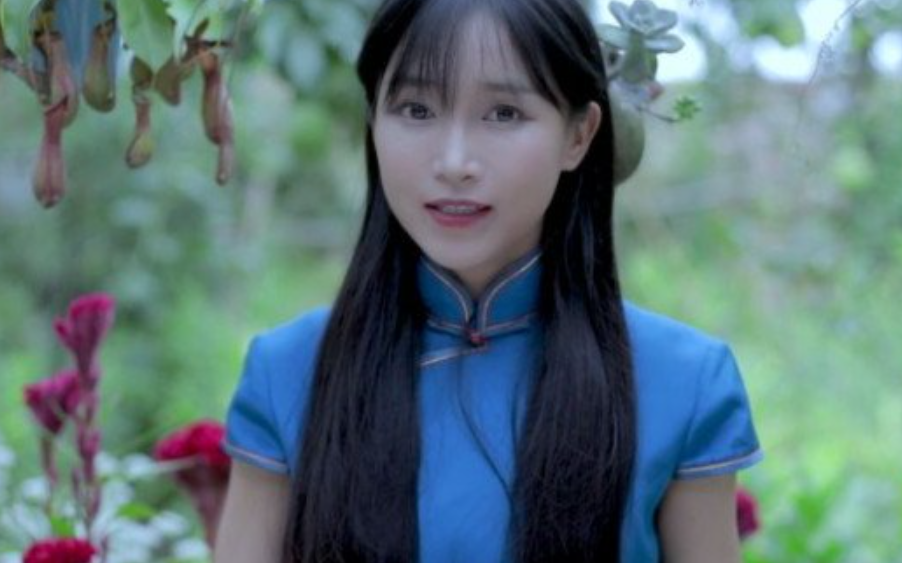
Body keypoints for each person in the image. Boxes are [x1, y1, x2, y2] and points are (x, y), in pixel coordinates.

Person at [213, 0, 764, 561]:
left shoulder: (683, 382)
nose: (454, 162)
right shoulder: (287, 372)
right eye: (416, 109)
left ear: (579, 135)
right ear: (373, 120)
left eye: (503, 113)